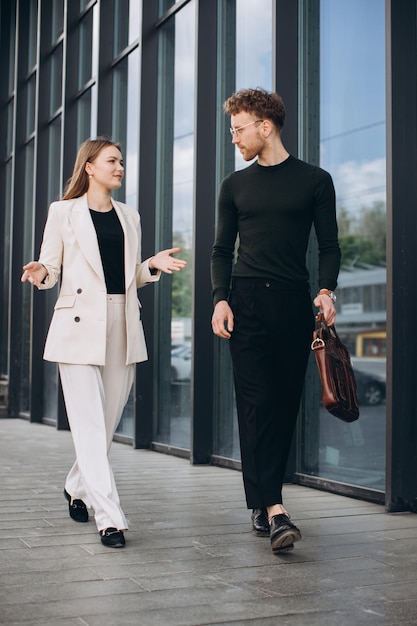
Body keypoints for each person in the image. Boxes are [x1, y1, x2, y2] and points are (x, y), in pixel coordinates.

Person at [21, 137, 186, 548]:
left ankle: (76, 486)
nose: (120, 167)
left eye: (122, 162)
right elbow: (52, 268)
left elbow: (127, 273)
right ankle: (109, 517)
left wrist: (150, 266)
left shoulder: (131, 216)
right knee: (91, 425)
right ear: (89, 167)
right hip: (77, 325)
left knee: (107, 422)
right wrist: (41, 270)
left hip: (122, 321)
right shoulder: (63, 212)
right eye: (112, 161)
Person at [211, 88, 340, 554]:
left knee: (284, 405)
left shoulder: (314, 181)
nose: (235, 139)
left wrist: (326, 290)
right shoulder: (234, 185)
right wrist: (219, 299)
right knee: (254, 402)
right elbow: (222, 251)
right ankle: (274, 507)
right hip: (244, 302)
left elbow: (329, 245)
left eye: (239, 130)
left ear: (265, 127)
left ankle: (261, 499)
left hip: (292, 303)